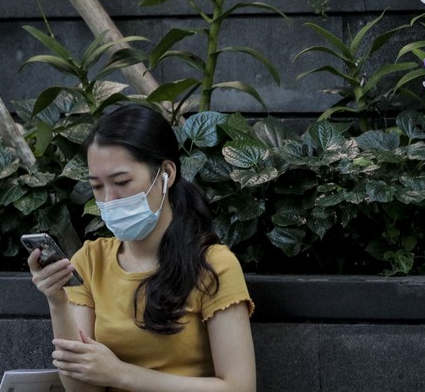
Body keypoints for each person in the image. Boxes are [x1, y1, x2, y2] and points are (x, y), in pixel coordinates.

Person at [28, 104, 256, 392]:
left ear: (166, 173)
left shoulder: (213, 264)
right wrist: (56, 299)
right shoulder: (89, 260)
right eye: (97, 186)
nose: (109, 199)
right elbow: (81, 388)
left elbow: (240, 387)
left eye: (121, 182)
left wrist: (121, 374)